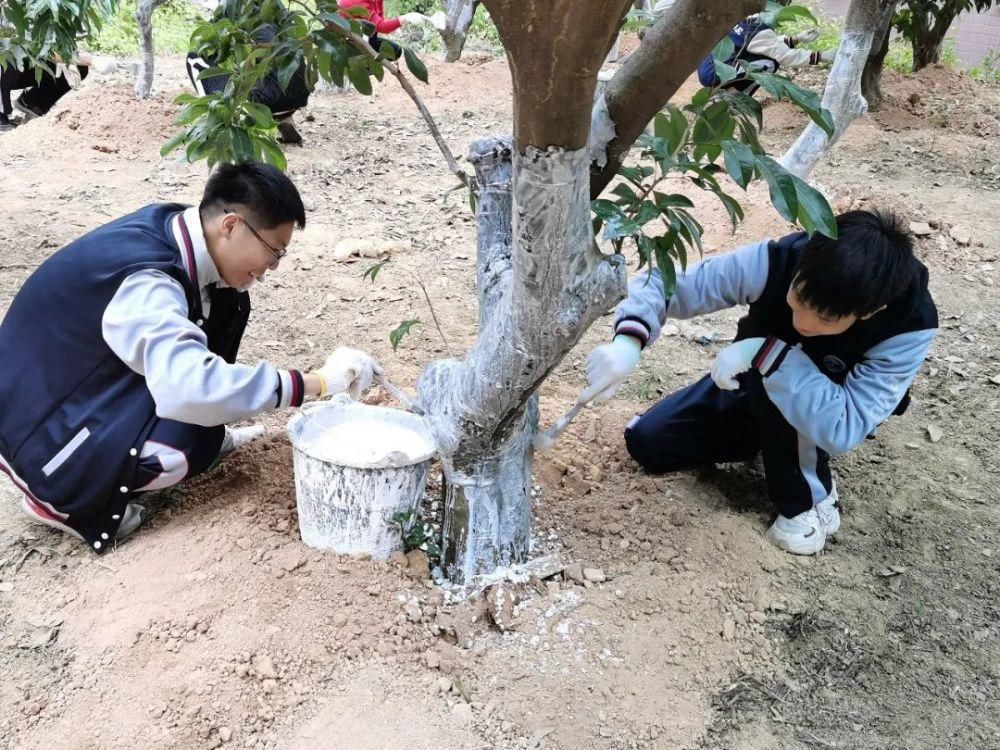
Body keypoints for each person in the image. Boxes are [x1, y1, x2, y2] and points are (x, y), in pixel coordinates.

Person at [0, 162, 382, 554]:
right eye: (273, 252)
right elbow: (189, 390)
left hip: (66, 384)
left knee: (229, 304)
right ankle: (61, 496)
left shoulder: (180, 232)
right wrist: (318, 382)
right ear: (231, 225)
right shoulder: (150, 280)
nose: (272, 268)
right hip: (37, 428)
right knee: (187, 443)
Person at [582, 210, 938, 555]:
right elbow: (669, 283)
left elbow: (845, 426)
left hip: (825, 404)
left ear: (870, 311)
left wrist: (764, 352)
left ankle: (811, 500)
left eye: (825, 317)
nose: (803, 322)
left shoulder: (908, 326)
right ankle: (767, 436)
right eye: (798, 300)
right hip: (754, 381)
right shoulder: (782, 260)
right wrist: (628, 341)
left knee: (787, 400)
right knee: (650, 443)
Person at [186, 2, 311, 144]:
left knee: (195, 55)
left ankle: (218, 120)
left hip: (269, 96)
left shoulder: (231, 5)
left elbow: (218, 34)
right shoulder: (275, 5)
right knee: (269, 55)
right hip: (301, 89)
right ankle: (284, 118)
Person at [697, 16, 834, 95]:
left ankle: (723, 91)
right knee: (771, 63)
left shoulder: (745, 19)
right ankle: (735, 96)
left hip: (707, 61)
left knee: (762, 55)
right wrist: (823, 56)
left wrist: (797, 38)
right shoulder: (761, 30)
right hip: (715, 74)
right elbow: (786, 57)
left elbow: (762, 45)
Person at [0, 52, 116, 126]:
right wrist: (90, 59)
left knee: (79, 68)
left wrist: (72, 61)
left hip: (16, 66)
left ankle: (32, 102)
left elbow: (42, 46)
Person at [337, 0, 442, 59]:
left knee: (395, 51)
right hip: (348, 41)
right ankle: (363, 63)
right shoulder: (357, 1)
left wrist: (394, 29)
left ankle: (368, 60)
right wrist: (405, 18)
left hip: (367, 36)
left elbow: (380, 19)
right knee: (369, 32)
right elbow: (380, 26)